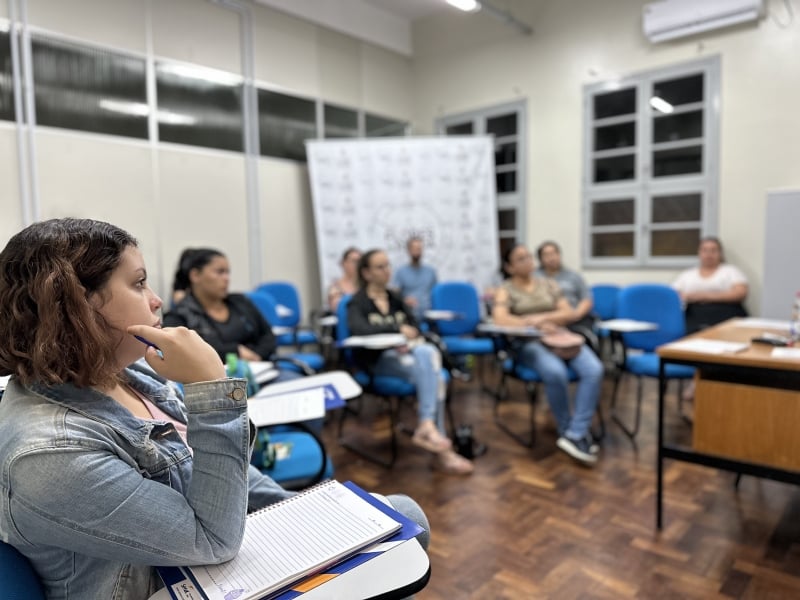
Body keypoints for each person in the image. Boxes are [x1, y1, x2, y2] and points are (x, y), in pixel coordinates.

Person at [0, 218, 429, 599]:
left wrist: (299, 512)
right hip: (172, 578)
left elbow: (226, 474)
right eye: (138, 283)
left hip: (200, 554)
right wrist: (212, 388)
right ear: (78, 306)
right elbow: (212, 541)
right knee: (406, 523)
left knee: (401, 515)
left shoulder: (122, 374)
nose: (156, 301)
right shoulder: (50, 453)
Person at [348, 249, 473, 475]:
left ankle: (427, 426)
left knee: (427, 353)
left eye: (388, 265)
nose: (387, 271)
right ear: (366, 273)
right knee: (435, 376)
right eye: (380, 267)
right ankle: (441, 452)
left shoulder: (395, 298)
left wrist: (409, 334)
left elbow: (415, 326)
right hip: (379, 362)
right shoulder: (357, 302)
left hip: (407, 357)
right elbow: (360, 329)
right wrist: (396, 329)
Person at [492, 244, 604, 467]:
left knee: (594, 369)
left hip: (559, 338)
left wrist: (544, 319)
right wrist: (531, 323)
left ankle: (576, 433)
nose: (528, 262)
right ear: (510, 267)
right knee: (555, 371)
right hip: (529, 343)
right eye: (520, 259)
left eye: (529, 257)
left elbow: (569, 312)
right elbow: (500, 319)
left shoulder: (548, 284)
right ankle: (566, 429)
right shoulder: (506, 289)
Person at [163, 248, 300, 382]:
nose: (226, 278)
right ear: (195, 276)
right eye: (220, 272)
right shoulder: (178, 316)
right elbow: (189, 352)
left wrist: (256, 356)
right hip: (217, 384)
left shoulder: (241, 302)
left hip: (262, 374)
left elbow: (268, 336)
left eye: (228, 272)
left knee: (295, 384)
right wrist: (235, 351)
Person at [672, 236, 749, 334]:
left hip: (727, 315)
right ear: (699, 253)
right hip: (695, 317)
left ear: (720, 253)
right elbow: (673, 295)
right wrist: (687, 297)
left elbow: (740, 293)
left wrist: (703, 296)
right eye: (705, 250)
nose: (709, 254)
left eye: (713, 250)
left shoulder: (730, 271)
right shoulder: (687, 275)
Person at [535, 240, 595, 331]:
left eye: (554, 253)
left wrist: (575, 315)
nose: (551, 258)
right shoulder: (533, 277)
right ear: (540, 259)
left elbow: (586, 299)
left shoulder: (573, 276)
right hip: (545, 320)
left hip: (574, 320)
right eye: (546, 255)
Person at [392, 236, 437, 322]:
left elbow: (436, 294)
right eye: (414, 249)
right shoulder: (400, 272)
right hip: (409, 314)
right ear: (408, 250)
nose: (417, 252)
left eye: (419, 249)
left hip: (429, 315)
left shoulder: (431, 271)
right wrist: (404, 300)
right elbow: (395, 294)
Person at [327, 246, 361, 313]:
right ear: (343, 263)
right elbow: (337, 309)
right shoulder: (335, 288)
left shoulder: (367, 285)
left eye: (360, 261)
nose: (358, 265)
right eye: (354, 261)